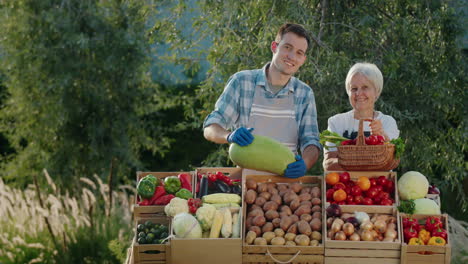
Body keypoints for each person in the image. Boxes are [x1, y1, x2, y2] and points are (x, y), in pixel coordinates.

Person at [203, 23, 321, 178]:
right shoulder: (242, 81)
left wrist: (305, 164)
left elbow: (311, 141)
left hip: (287, 186)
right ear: (274, 47)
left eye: (299, 53)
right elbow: (210, 127)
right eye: (287, 47)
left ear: (303, 59)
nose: (292, 56)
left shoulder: (304, 93)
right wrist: (228, 136)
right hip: (246, 181)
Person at [323, 62, 400, 171]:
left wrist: (383, 136)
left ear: (377, 91)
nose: (359, 93)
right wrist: (366, 162)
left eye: (365, 87)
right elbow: (328, 164)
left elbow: (392, 161)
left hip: (378, 186)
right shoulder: (336, 122)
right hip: (345, 186)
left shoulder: (387, 122)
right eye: (354, 89)